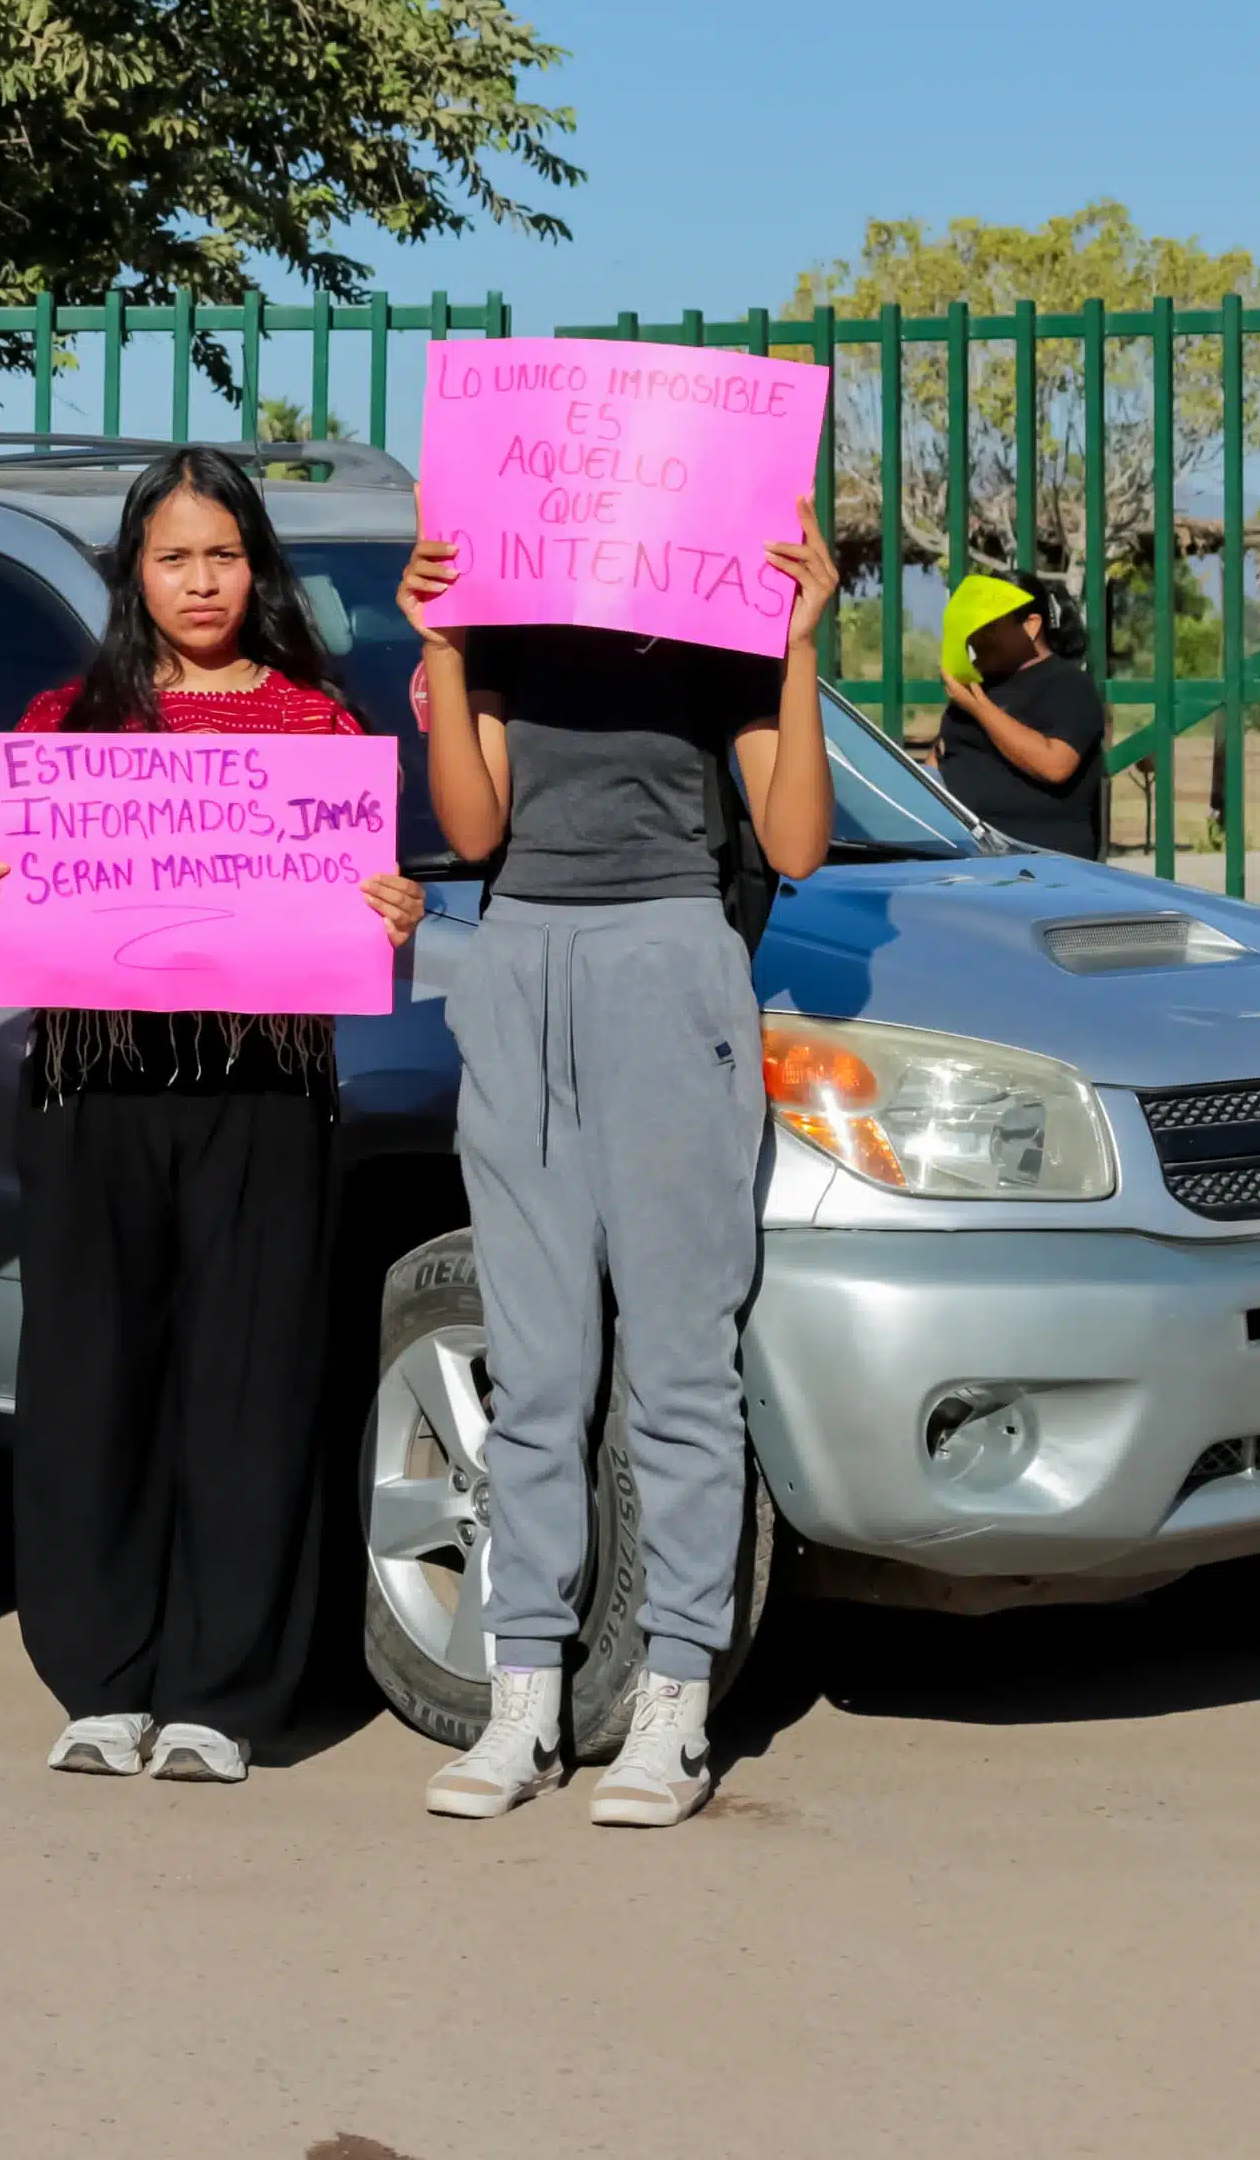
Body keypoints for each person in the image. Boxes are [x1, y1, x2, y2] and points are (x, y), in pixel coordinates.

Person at [0, 450, 424, 1787]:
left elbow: (361, 940)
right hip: (91, 1095)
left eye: (224, 555)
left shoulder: (323, 730)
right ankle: (101, 1678)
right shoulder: (64, 722)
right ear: (135, 574)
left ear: (255, 569)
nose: (201, 581)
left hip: (264, 1096)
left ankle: (222, 1688)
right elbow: (14, 903)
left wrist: (392, 917)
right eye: (173, 557)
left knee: (251, 1384)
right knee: (93, 1383)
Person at [401, 497, 839, 1827]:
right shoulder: (505, 620)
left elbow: (799, 843)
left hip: (673, 959)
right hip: (521, 954)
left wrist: (803, 645)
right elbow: (475, 835)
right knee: (534, 1365)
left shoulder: (720, 627)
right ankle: (521, 1694)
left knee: (679, 1364)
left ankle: (675, 1701)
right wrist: (444, 644)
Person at [934, 574, 1107, 859]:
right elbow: (941, 758)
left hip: (1036, 863)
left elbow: (1054, 764)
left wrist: (980, 708)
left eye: (989, 627)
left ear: (1031, 626)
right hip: (964, 855)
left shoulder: (1068, 685)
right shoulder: (979, 687)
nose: (976, 638)